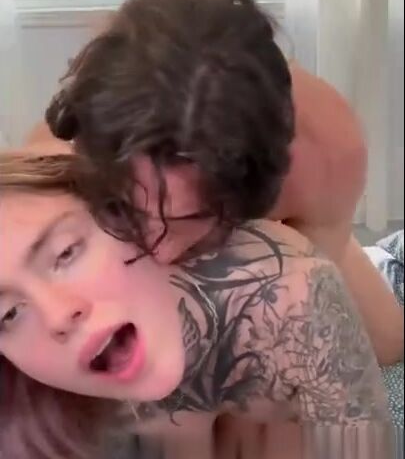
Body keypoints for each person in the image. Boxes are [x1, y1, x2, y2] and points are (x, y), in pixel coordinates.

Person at [35, 0, 402, 365]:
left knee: (388, 344)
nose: (157, 250)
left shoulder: (328, 154)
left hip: (297, 230)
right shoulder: (65, 145)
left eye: (188, 218)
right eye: (124, 208)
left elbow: (302, 304)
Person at [0, 150, 391, 459]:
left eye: (66, 252)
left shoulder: (285, 289)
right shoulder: (24, 400)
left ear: (128, 218)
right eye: (9, 314)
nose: (57, 315)